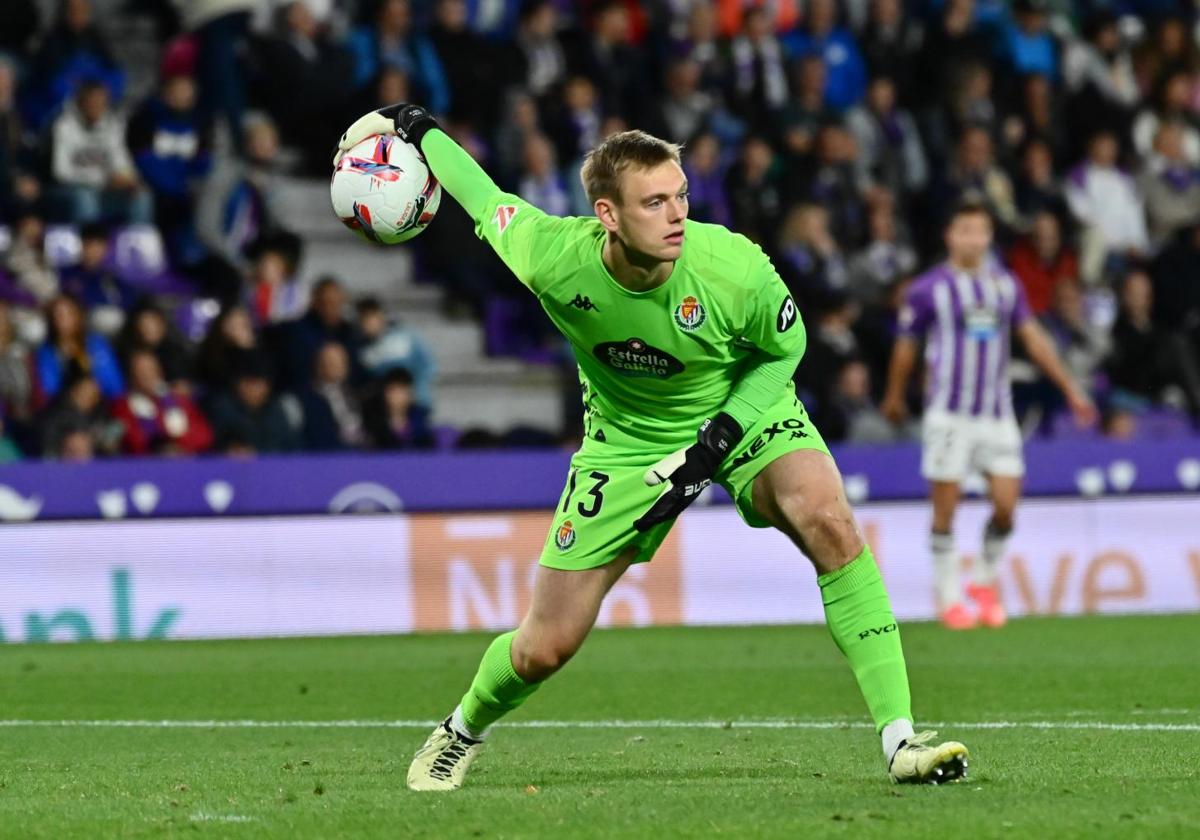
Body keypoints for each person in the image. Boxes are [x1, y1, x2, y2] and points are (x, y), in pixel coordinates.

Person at [336, 103, 972, 791]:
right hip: (627, 443)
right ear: (608, 214)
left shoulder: (732, 266)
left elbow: (786, 348)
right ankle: (459, 731)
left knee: (829, 521)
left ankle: (900, 740)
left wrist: (720, 438)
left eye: (681, 196)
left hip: (742, 414)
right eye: (655, 202)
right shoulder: (551, 256)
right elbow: (482, 197)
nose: (677, 215)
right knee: (545, 646)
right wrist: (417, 127)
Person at [880, 201, 1096, 631]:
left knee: (1006, 507)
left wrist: (1071, 389)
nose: (973, 239)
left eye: (980, 231)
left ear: (989, 237)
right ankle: (948, 598)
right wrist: (894, 394)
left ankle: (982, 580)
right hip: (949, 415)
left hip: (997, 415)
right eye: (965, 230)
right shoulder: (928, 289)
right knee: (945, 509)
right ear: (950, 235)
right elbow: (906, 345)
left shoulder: (1004, 286)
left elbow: (1033, 339)